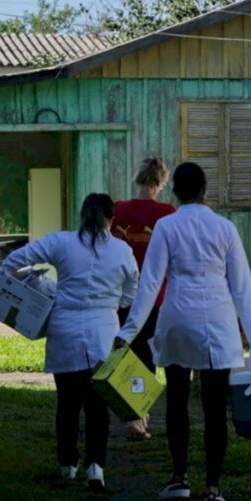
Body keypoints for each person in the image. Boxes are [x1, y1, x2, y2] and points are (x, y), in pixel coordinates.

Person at [116, 162, 251, 501]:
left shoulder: (167, 226)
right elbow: (241, 287)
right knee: (215, 408)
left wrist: (128, 330)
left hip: (177, 315)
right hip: (218, 318)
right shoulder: (225, 228)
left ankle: (179, 479)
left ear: (175, 192)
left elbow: (150, 282)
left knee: (177, 400)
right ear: (204, 191)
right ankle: (213, 489)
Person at [0, 193, 138, 491]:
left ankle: (67, 464)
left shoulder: (61, 242)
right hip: (103, 331)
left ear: (82, 216)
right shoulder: (122, 251)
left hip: (65, 329)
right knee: (98, 404)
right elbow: (131, 294)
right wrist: (112, 301)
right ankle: (96, 468)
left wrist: (31, 289)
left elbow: (13, 262)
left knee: (68, 403)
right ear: (112, 219)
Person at [110, 156, 177, 441]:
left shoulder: (118, 210)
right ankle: (138, 416)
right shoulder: (167, 212)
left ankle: (134, 414)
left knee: (125, 353)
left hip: (120, 295)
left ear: (137, 178)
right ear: (162, 182)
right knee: (146, 356)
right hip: (154, 298)